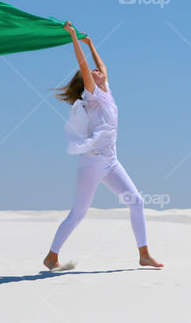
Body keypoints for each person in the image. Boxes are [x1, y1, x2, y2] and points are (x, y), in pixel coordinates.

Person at [43, 22, 163, 271]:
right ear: (89, 81)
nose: (99, 71)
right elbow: (84, 65)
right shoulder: (92, 94)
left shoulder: (106, 91)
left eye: (100, 72)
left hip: (111, 161)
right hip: (92, 162)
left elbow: (102, 66)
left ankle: (144, 254)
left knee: (137, 201)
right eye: (95, 73)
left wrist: (91, 44)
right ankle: (52, 256)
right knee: (79, 213)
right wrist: (74, 38)